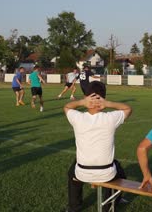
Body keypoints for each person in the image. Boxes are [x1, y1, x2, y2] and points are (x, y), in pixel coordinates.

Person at [64, 81, 132, 212]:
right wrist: (108, 104)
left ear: (86, 96)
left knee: (72, 173)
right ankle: (109, 206)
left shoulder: (77, 117)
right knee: (119, 172)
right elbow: (128, 108)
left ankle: (74, 208)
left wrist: (81, 102)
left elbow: (67, 107)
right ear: (103, 97)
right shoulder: (111, 118)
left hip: (82, 172)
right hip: (106, 172)